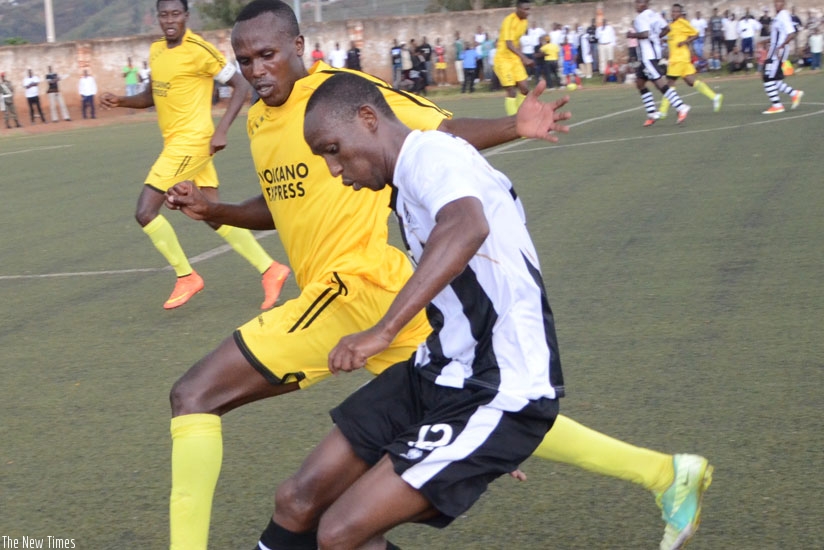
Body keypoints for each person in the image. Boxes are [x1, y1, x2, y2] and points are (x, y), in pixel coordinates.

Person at [164, 3, 712, 549]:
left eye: (267, 55)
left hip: (356, 286)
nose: (257, 70)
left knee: (195, 395)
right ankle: (664, 472)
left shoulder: (348, 98)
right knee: (461, 393)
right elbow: (285, 204)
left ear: (299, 47)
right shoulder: (264, 119)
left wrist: (511, 126)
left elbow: (436, 136)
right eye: (244, 60)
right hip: (407, 297)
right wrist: (218, 211)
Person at [284, 68, 565, 550]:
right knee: (303, 494)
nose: (334, 168)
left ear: (368, 118)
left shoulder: (428, 157)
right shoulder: (413, 174)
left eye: (333, 149)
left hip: (499, 383)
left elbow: (466, 226)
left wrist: (383, 330)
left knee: (340, 532)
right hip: (440, 372)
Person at [100, 0, 290, 310]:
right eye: (164, 14)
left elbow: (240, 84)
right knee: (210, 212)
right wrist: (119, 100)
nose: (170, 20)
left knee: (145, 211)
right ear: (158, 18)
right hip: (176, 142)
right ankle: (271, 269)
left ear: (186, 16)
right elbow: (151, 95)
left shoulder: (199, 50)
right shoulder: (157, 51)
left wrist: (222, 130)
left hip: (192, 143)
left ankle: (186, 275)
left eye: (176, 13)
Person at [627, 0, 690, 126]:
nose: (636, 5)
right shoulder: (655, 15)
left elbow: (645, 34)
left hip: (648, 56)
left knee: (660, 84)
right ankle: (652, 113)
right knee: (640, 83)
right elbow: (667, 28)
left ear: (645, 4)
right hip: (653, 54)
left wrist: (632, 35)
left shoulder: (640, 18)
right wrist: (656, 37)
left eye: (639, 2)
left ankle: (681, 107)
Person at [659, 3, 723, 119]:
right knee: (690, 81)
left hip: (679, 59)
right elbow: (671, 38)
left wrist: (685, 42)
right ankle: (715, 97)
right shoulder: (670, 25)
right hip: (680, 59)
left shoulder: (682, 22)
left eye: (676, 11)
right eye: (672, 11)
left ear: (680, 13)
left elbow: (696, 34)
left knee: (669, 83)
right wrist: (665, 41)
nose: (674, 13)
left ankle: (663, 110)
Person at [762, 0, 804, 114]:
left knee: (767, 77)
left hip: (777, 51)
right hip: (774, 50)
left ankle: (777, 105)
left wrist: (781, 47)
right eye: (775, 2)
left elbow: (791, 34)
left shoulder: (783, 15)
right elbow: (780, 34)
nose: (776, 4)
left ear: (783, 4)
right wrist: (768, 40)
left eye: (779, 2)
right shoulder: (778, 17)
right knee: (774, 79)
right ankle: (794, 94)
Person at [494, 1, 533, 115]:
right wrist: (524, 58)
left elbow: (517, 41)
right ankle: (513, 120)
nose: (528, 12)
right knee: (511, 91)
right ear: (518, 9)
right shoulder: (509, 20)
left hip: (515, 58)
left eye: (529, 9)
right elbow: (509, 44)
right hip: (503, 59)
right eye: (525, 9)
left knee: (525, 89)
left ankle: (520, 114)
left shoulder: (524, 22)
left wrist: (520, 58)